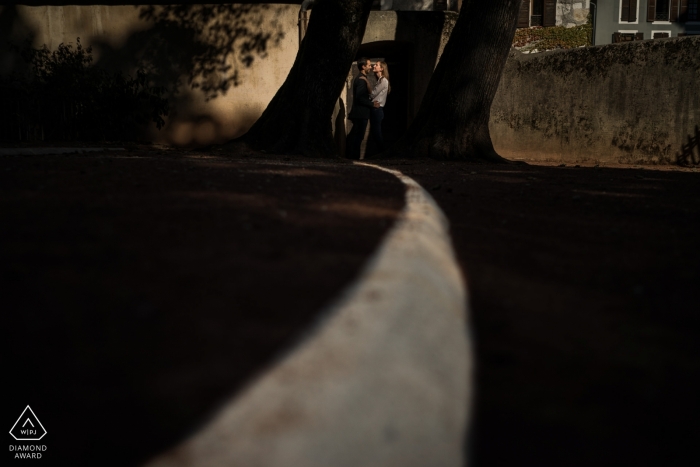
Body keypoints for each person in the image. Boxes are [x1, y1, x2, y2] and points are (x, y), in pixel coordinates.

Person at [345, 57, 374, 160]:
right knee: (358, 136)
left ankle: (353, 156)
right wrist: (372, 104)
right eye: (369, 65)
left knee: (357, 135)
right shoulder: (361, 80)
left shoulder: (363, 79)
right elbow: (360, 97)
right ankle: (354, 157)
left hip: (360, 113)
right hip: (360, 113)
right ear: (363, 66)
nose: (371, 67)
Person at [368, 60, 390, 154]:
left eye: (376, 65)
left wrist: (367, 84)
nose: (374, 66)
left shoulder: (383, 80)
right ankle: (381, 152)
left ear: (381, 68)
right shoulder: (379, 81)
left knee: (377, 132)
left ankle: (382, 152)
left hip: (377, 110)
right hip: (375, 110)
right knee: (375, 132)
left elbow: (372, 94)